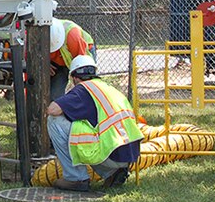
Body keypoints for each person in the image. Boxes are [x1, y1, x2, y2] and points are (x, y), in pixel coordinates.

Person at [46, 54, 143, 192]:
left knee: (54, 121)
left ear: (74, 78)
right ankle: (112, 173)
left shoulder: (82, 90)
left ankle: (75, 178)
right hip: (129, 154)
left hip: (111, 153)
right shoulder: (107, 87)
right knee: (85, 128)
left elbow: (53, 110)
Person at [49, 18, 96, 101]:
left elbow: (83, 68)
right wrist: (45, 64)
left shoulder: (73, 36)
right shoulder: (39, 34)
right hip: (58, 63)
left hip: (81, 56)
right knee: (54, 96)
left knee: (84, 92)